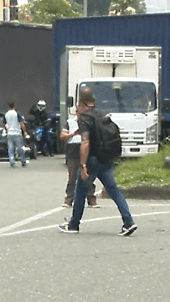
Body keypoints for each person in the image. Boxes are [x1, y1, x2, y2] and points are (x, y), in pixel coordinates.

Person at [58, 87, 137, 236]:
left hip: (93, 160)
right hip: (106, 159)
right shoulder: (102, 115)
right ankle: (128, 222)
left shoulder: (85, 118)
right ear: (93, 100)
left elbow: (85, 142)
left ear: (81, 101)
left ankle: (74, 225)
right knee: (113, 190)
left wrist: (83, 165)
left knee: (80, 191)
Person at [60, 109, 98, 209]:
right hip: (73, 151)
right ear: (76, 112)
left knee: (88, 176)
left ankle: (91, 198)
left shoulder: (90, 122)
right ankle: (69, 198)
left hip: (87, 150)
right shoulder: (70, 122)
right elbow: (62, 135)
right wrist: (74, 134)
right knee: (72, 177)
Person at [4, 102, 28, 167]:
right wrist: (25, 132)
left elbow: (4, 123)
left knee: (11, 148)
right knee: (20, 148)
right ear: (15, 106)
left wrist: (7, 130)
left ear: (8, 107)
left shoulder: (6, 114)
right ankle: (23, 161)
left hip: (10, 133)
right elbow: (21, 123)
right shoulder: (17, 113)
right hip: (17, 133)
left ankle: (12, 162)